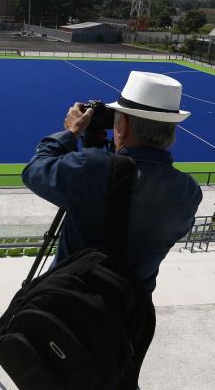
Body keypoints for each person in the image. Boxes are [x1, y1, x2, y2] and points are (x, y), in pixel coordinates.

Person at [21, 70, 203, 384]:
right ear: (171, 132)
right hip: (128, 318)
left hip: (69, 308)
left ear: (123, 125)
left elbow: (35, 170)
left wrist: (70, 133)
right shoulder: (187, 193)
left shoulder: (91, 169)